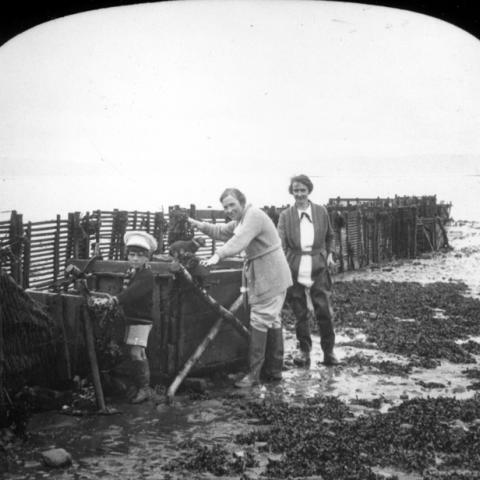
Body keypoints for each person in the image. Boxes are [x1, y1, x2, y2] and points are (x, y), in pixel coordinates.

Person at [188, 188, 292, 387]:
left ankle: (254, 375)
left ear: (242, 203)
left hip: (270, 274)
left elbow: (238, 240)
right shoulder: (242, 220)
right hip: (270, 273)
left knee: (260, 319)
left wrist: (217, 256)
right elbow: (221, 231)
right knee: (272, 319)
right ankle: (273, 371)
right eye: (225, 207)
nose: (228, 209)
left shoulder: (253, 216)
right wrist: (196, 224)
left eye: (232, 205)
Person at [277, 174, 339, 367]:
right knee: (300, 313)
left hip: (318, 266)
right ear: (291, 192)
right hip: (294, 267)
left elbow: (330, 236)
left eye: (303, 190)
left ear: (309, 191)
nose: (299, 194)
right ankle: (304, 351)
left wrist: (330, 254)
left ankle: (329, 352)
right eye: (296, 190)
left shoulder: (321, 212)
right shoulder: (285, 216)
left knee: (324, 311)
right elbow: (280, 243)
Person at [113, 230, 157, 403]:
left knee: (136, 352)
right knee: (135, 352)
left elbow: (131, 293)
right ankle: (137, 385)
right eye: (132, 255)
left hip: (141, 320)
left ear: (147, 258)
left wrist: (116, 300)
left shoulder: (146, 276)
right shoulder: (131, 273)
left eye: (140, 256)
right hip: (131, 318)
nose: (135, 259)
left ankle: (145, 389)